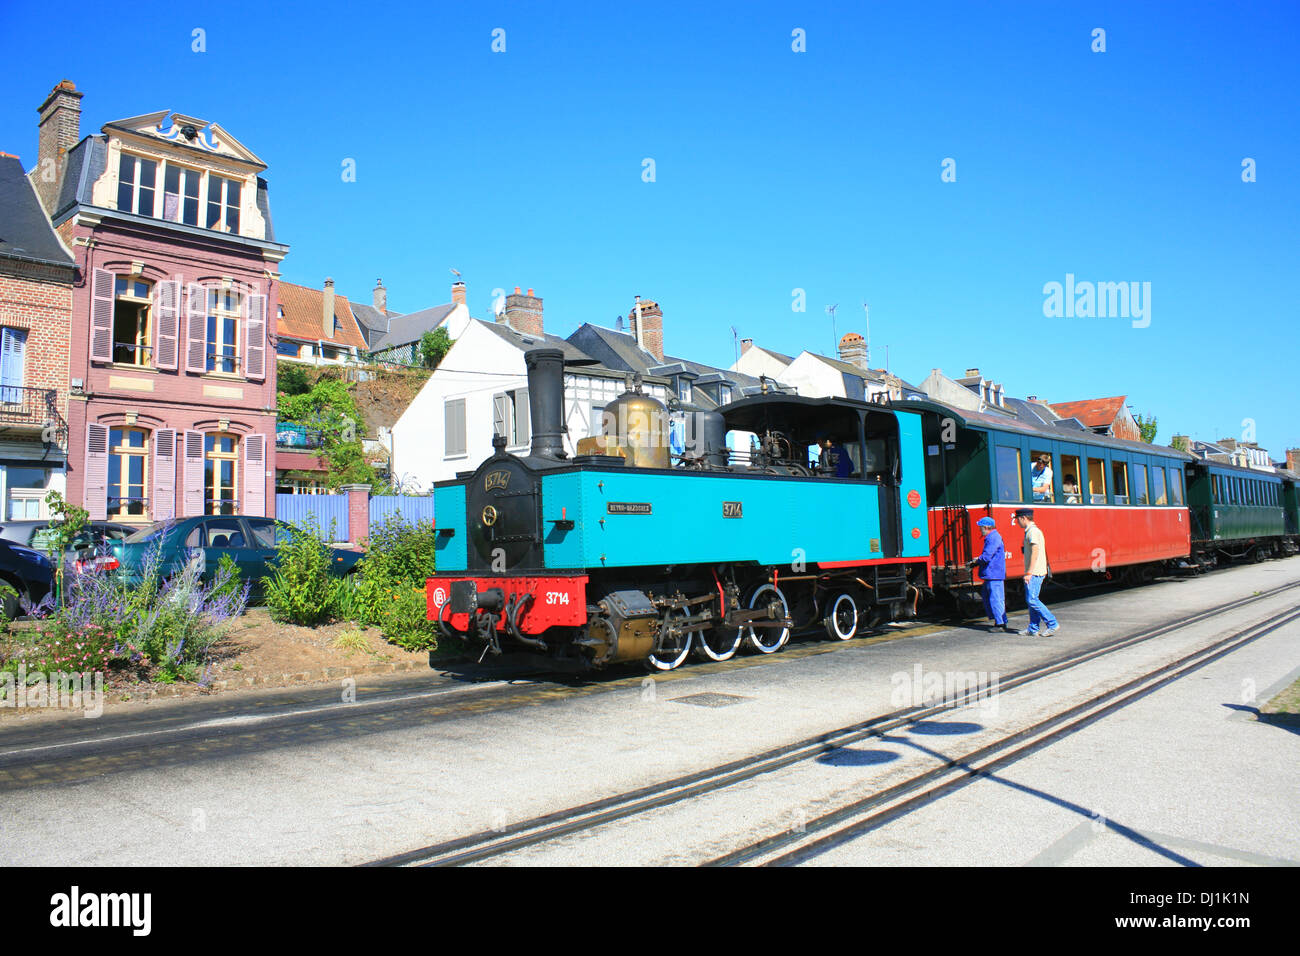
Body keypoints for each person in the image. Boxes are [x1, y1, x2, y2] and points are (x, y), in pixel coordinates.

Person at [1012, 508, 1059, 637]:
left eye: (1018, 520)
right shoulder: (1031, 531)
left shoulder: (1033, 532)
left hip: (1035, 572)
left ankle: (1052, 623)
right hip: (1034, 571)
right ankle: (1033, 628)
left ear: (1023, 518)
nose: (1017, 523)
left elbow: (1035, 552)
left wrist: (1029, 572)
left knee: (1032, 600)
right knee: (1030, 600)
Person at [967, 516, 1014, 632]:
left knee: (995, 599)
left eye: (981, 527)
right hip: (993, 574)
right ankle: (1001, 621)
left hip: (993, 574)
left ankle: (1000, 624)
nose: (980, 530)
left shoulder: (992, 538)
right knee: (993, 598)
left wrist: (976, 561)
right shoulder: (994, 536)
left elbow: (987, 556)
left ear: (987, 527)